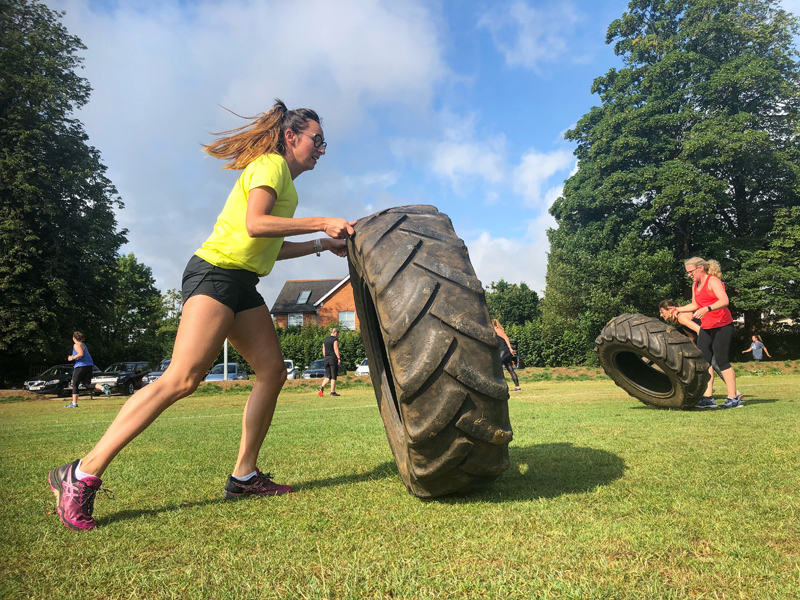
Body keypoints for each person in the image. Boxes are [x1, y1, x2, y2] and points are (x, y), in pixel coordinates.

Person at [48, 99, 356, 531]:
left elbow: (269, 247)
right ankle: (80, 474)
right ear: (291, 136)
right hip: (215, 275)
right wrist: (322, 222)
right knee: (182, 379)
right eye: (317, 140)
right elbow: (255, 224)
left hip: (242, 283)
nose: (322, 150)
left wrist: (323, 245)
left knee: (272, 371)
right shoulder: (270, 165)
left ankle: (244, 476)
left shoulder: (286, 182)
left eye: (325, 143)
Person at [669, 258, 742, 409]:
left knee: (721, 360)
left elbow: (724, 300)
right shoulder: (695, 284)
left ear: (701, 268)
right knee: (704, 361)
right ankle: (708, 397)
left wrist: (707, 308)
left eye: (691, 271)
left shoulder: (712, 281)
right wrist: (678, 309)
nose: (689, 275)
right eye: (687, 272)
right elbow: (695, 305)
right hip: (707, 327)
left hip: (722, 325)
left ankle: (733, 398)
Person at [658, 300, 741, 399]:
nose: (661, 315)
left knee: (713, 363)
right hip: (711, 334)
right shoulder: (680, 317)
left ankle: (727, 393)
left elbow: (699, 330)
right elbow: (692, 337)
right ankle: (724, 392)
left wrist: (704, 346)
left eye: (662, 312)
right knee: (713, 363)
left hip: (713, 334)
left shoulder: (681, 317)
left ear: (671, 309)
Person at [64, 331, 111, 408]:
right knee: (87, 384)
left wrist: (72, 358)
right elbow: (82, 353)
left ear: (73, 338)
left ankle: (74, 403)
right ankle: (103, 388)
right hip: (89, 366)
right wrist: (74, 355)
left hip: (80, 366)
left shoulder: (76, 344)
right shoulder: (83, 344)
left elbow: (80, 354)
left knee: (75, 384)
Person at [492, 319, 520, 392]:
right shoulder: (495, 331)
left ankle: (497, 384)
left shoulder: (498, 330)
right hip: (504, 351)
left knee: (497, 366)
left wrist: (510, 348)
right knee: (510, 369)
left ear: (493, 324)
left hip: (504, 351)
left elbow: (506, 338)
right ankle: (517, 387)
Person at [318, 327, 341, 397]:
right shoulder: (335, 339)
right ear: (336, 333)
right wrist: (338, 358)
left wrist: (326, 357)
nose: (338, 335)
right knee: (333, 376)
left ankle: (321, 387)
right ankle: (332, 392)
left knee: (328, 376)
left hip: (326, 359)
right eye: (338, 334)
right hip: (333, 359)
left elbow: (323, 350)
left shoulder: (325, 339)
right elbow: (335, 348)